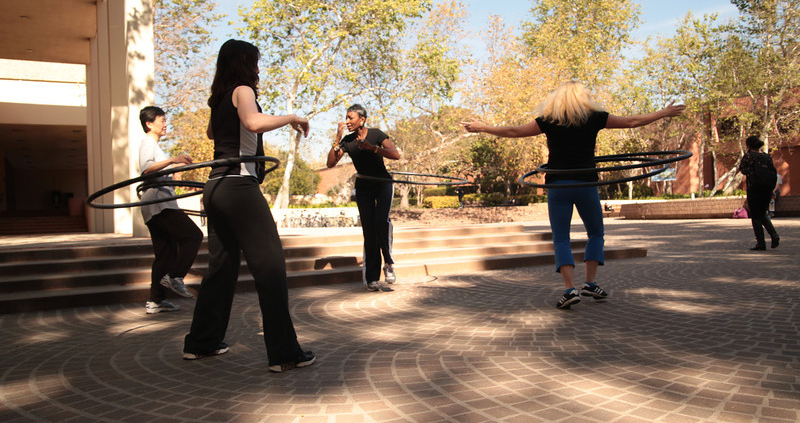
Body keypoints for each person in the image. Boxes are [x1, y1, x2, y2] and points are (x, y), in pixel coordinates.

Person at [460, 80, 685, 309]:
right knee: (596, 234)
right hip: (586, 184)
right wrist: (664, 113)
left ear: (557, 99)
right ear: (584, 98)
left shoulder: (549, 121)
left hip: (558, 187)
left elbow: (514, 131)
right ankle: (590, 283)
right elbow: (632, 121)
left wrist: (483, 127)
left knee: (561, 239)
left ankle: (570, 289)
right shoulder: (595, 117)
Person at [183, 39, 315, 373]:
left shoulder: (218, 98)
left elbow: (214, 132)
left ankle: (202, 343)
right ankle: (285, 352)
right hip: (239, 186)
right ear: (244, 63)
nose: (258, 68)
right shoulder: (243, 89)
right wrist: (291, 117)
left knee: (221, 269)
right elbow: (252, 123)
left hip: (215, 188)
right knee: (270, 266)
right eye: (255, 61)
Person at [327, 104, 401, 292]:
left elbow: (395, 155)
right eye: (346, 118)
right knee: (369, 230)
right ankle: (372, 278)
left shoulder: (376, 134)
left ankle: (389, 262)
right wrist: (337, 138)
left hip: (383, 183)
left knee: (380, 221)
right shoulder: (347, 140)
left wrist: (373, 148)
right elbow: (330, 163)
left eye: (351, 118)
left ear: (362, 119)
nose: (347, 121)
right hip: (364, 187)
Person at [138, 106, 202, 314]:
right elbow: (147, 169)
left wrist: (176, 170)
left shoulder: (155, 146)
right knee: (193, 235)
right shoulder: (148, 142)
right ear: (149, 123)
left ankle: (156, 300)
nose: (165, 124)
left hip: (153, 205)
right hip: (159, 204)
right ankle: (175, 276)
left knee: (164, 253)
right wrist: (174, 160)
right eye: (162, 120)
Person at [738, 135, 779, 250]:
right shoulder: (766, 157)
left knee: (756, 215)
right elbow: (772, 173)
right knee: (762, 213)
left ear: (749, 145)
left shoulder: (749, 156)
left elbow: (743, 170)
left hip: (754, 188)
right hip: (766, 190)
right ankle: (774, 235)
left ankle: (761, 242)